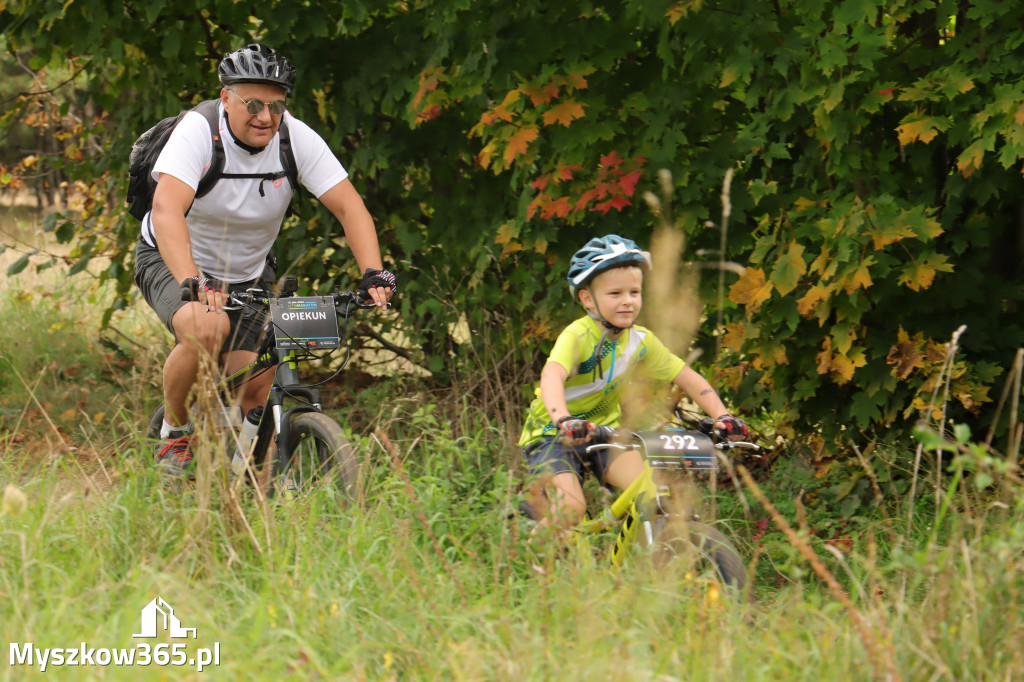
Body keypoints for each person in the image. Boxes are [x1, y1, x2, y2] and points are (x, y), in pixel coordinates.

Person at [134, 43, 396, 477]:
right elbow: (166, 210)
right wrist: (193, 281)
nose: (265, 117)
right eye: (252, 103)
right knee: (207, 327)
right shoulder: (200, 131)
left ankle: (247, 488)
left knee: (255, 388)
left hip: (248, 272)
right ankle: (175, 433)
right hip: (173, 256)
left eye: (276, 106)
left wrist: (372, 271)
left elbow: (351, 208)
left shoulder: (295, 139)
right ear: (226, 98)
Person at [518, 234, 747, 538]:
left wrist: (723, 417)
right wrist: (564, 419)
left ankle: (650, 559)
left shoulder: (641, 341)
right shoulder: (576, 336)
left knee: (652, 491)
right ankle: (531, 556)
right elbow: (551, 377)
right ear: (588, 299)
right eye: (615, 293)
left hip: (604, 432)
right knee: (571, 510)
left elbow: (688, 377)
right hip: (552, 433)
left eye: (634, 292)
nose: (627, 300)